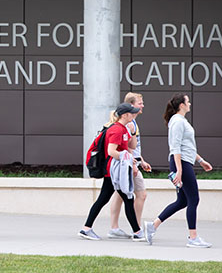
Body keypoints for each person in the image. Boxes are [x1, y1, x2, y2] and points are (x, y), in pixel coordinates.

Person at [144, 93, 213, 248]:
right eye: (187, 101)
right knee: (194, 199)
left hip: (184, 162)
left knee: (182, 201)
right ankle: (193, 238)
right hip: (180, 164)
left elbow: (187, 146)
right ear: (181, 105)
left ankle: (152, 226)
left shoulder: (181, 121)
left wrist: (201, 161)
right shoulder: (177, 122)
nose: (190, 104)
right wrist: (179, 170)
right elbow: (175, 148)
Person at [77, 102, 146, 242]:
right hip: (114, 170)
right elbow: (111, 151)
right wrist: (126, 157)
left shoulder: (124, 129)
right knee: (127, 198)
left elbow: (131, 145)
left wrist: (132, 132)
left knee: (106, 198)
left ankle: (86, 228)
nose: (134, 114)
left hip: (116, 170)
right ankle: (137, 232)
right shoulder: (116, 130)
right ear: (125, 115)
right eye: (132, 113)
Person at [107, 92, 151, 239]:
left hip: (131, 161)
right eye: (140, 103)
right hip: (127, 163)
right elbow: (122, 149)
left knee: (120, 195)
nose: (142, 105)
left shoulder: (131, 124)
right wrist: (132, 163)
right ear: (130, 107)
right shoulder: (125, 125)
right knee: (137, 194)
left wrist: (141, 160)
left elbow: (132, 146)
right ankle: (136, 229)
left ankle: (116, 228)